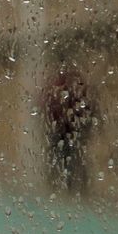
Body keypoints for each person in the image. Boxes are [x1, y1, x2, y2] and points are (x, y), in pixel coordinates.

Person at [40, 67, 97, 195]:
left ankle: (73, 186)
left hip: (69, 131)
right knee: (62, 158)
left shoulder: (72, 85)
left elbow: (87, 107)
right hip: (61, 131)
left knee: (73, 159)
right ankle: (59, 185)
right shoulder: (59, 85)